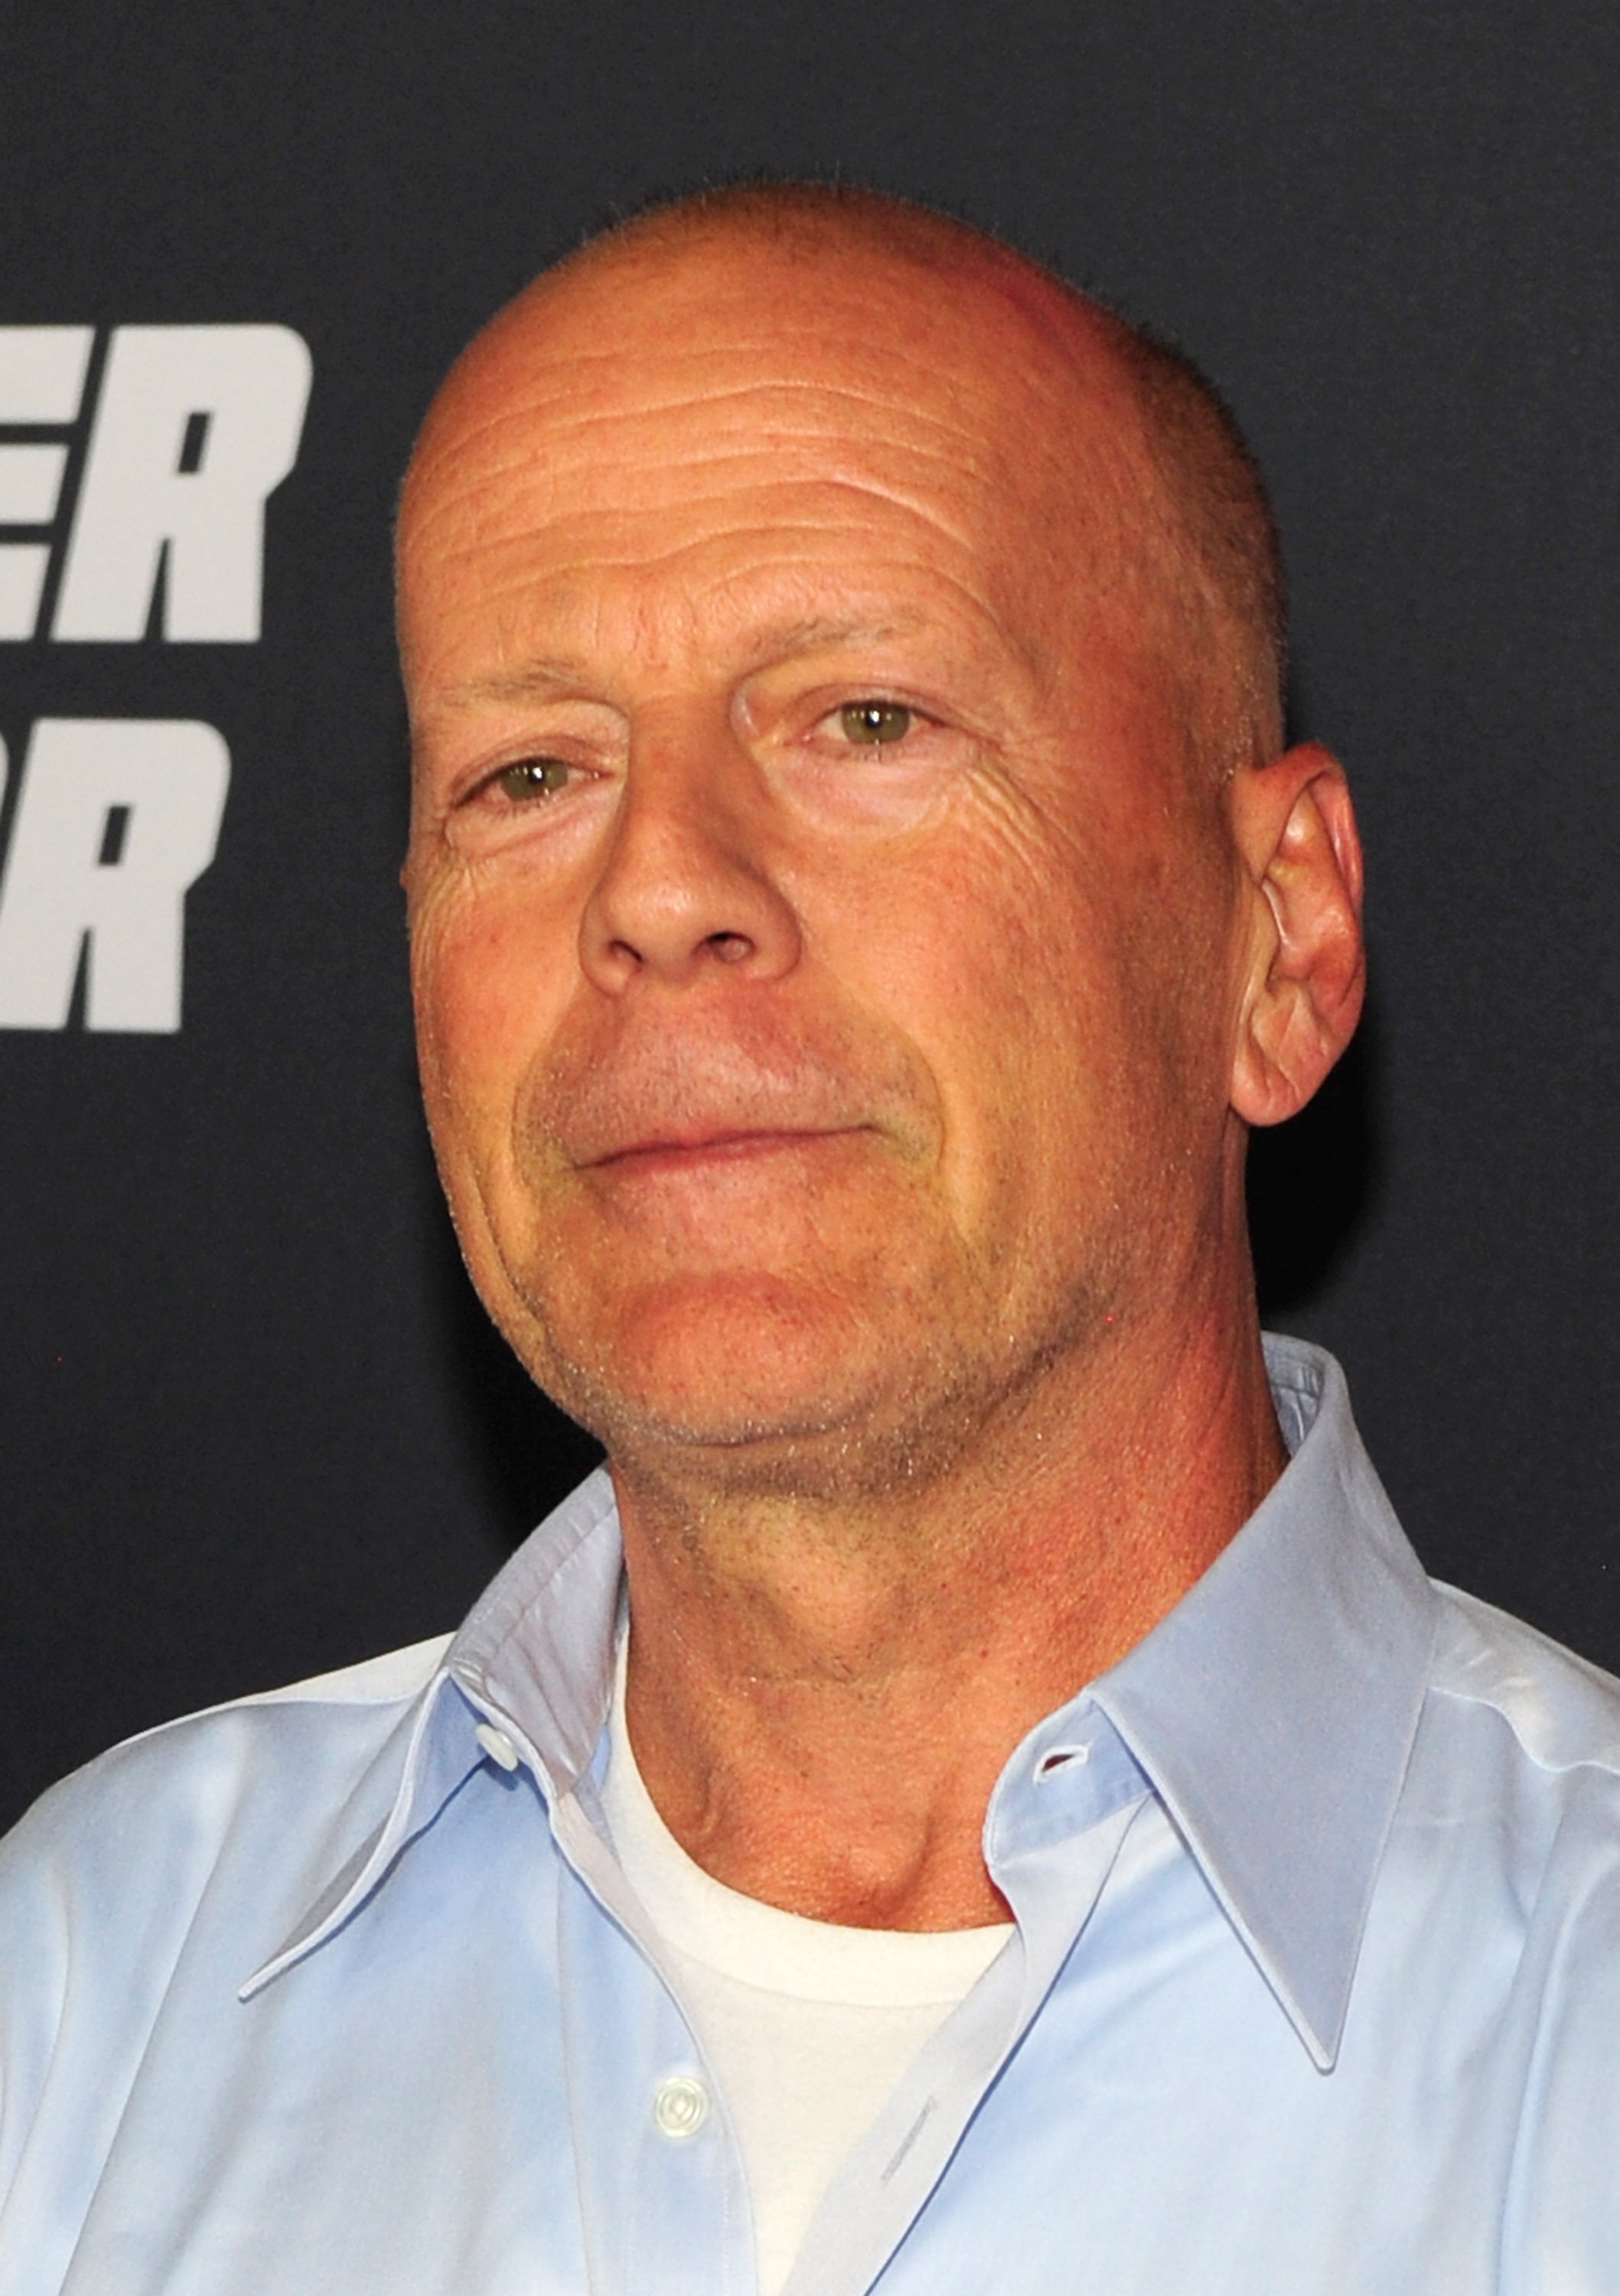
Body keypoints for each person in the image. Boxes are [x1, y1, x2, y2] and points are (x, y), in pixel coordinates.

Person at [2, 181, 1617, 2296]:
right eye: (528, 771)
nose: (659, 887)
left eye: (865, 718)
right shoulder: (89, 1992)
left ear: (1281, 939)